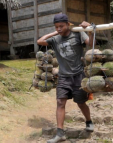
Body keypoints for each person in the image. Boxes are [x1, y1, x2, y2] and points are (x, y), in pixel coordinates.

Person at [37, 13, 94, 143]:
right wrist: (55, 33)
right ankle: (60, 133)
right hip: (63, 76)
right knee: (60, 102)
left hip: (79, 75)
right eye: (56, 26)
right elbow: (40, 41)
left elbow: (91, 43)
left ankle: (89, 121)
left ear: (68, 24)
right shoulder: (55, 39)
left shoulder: (78, 33)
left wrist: (89, 30)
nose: (59, 29)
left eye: (61, 26)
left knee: (80, 102)